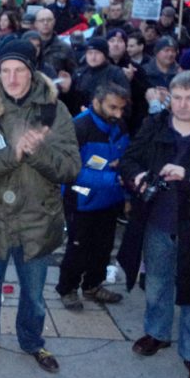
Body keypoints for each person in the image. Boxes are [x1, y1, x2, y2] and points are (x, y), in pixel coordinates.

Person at [0, 39, 80, 373]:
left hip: (37, 222)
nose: (12, 78)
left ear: (33, 71)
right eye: (6, 70)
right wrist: (12, 154)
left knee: (33, 296)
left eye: (20, 70)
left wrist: (37, 152)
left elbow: (71, 168)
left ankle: (32, 341)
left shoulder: (54, 111)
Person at [118, 71, 190, 378]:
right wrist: (136, 176)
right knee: (157, 282)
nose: (182, 105)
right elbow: (129, 159)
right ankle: (157, 333)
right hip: (158, 222)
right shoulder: (155, 126)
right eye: (177, 98)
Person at [57, 83, 130, 310]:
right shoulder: (78, 127)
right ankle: (67, 288)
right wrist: (113, 179)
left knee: (104, 247)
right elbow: (71, 170)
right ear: (97, 102)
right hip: (81, 199)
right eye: (113, 108)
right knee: (78, 247)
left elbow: (127, 156)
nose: (118, 114)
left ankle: (92, 285)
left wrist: (125, 189)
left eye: (121, 109)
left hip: (110, 199)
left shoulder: (119, 125)